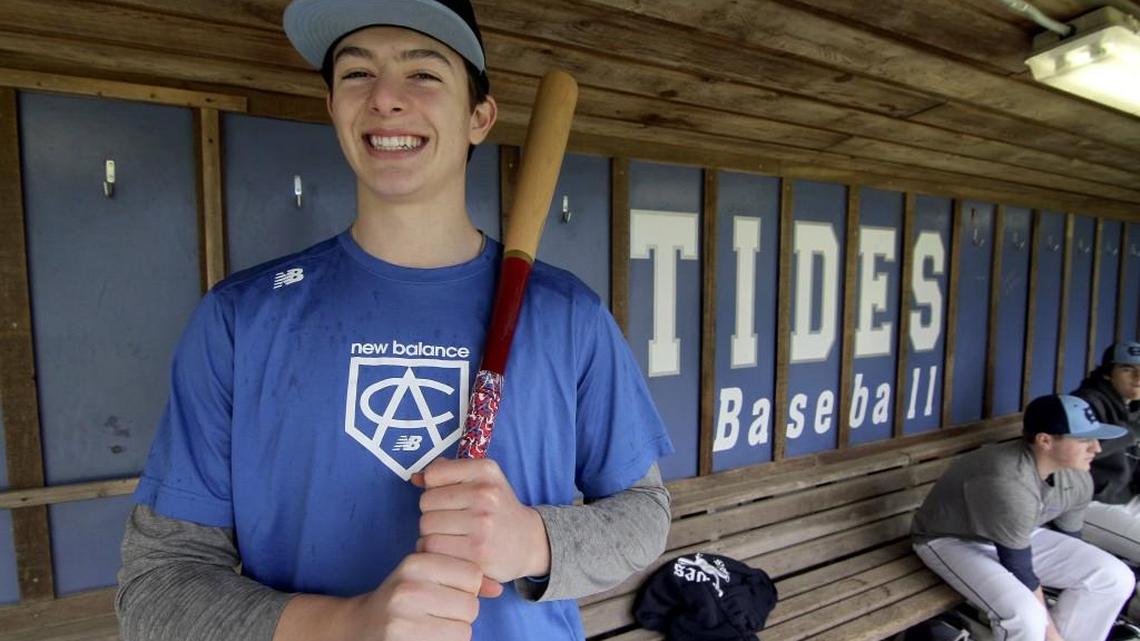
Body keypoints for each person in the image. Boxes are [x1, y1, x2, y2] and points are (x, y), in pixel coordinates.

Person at [115, 1, 674, 640]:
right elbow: (157, 586)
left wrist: (534, 540)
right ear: (333, 108)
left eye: (424, 74)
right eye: (357, 74)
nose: (385, 98)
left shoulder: (566, 313)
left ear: (478, 116)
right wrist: (347, 625)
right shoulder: (242, 317)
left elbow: (644, 515)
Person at [911, 394, 1134, 641]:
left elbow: (1070, 541)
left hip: (1018, 533)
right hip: (952, 539)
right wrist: (1053, 636)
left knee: (1113, 576)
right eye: (1084, 439)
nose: (1097, 448)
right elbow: (1020, 569)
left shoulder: (1077, 476)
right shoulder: (1009, 480)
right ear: (1045, 441)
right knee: (1026, 616)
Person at [1074, 341, 1140, 563]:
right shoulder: (1084, 403)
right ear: (1107, 374)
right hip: (1089, 502)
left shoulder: (1133, 405)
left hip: (1125, 497)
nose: (1138, 378)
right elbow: (1078, 448)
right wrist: (1133, 431)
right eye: (1127, 369)